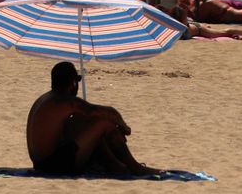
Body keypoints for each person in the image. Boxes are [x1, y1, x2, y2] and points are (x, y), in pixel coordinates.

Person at [26, 62, 160, 176]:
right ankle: (134, 166)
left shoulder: (45, 99)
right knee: (103, 124)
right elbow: (108, 113)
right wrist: (124, 127)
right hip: (54, 166)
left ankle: (115, 165)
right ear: (73, 83)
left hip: (41, 164)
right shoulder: (67, 102)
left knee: (81, 122)